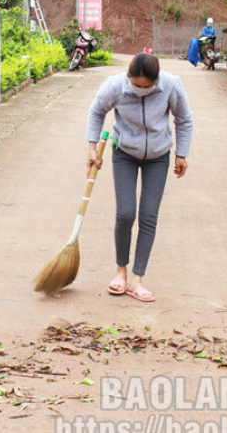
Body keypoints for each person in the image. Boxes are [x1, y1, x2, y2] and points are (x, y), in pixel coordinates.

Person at [86, 53, 194, 302]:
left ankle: (137, 280)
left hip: (158, 156)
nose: (141, 91)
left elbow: (184, 119)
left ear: (157, 81)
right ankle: (120, 272)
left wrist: (181, 153)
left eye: (147, 87)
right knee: (125, 213)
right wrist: (92, 148)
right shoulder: (115, 86)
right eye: (136, 86)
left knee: (149, 215)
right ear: (129, 78)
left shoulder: (171, 85)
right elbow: (96, 111)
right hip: (124, 153)